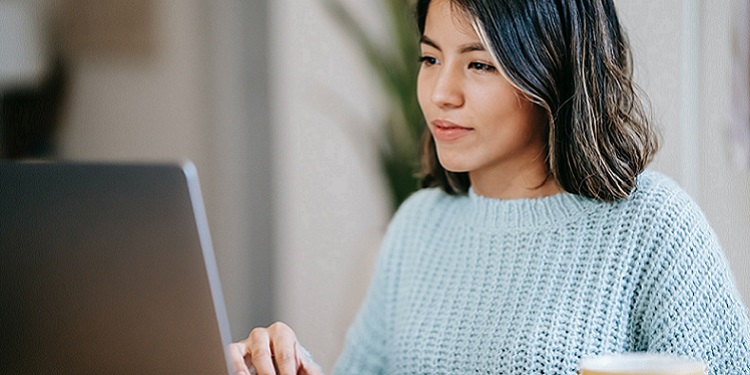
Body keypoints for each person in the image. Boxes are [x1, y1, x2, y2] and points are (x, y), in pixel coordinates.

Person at [229, 0, 750, 373]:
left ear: (553, 69)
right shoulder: (419, 225)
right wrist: (287, 368)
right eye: (430, 58)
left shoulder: (652, 225)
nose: (439, 93)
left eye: (479, 64)